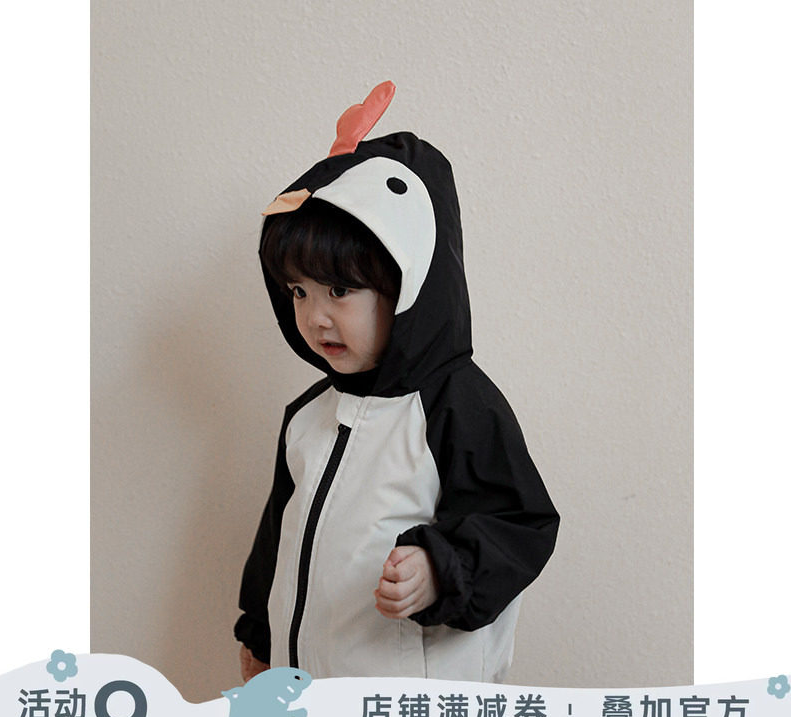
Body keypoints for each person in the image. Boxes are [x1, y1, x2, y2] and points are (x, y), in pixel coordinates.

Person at [235, 82, 559, 682]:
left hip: (412, 708)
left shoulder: (456, 406)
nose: (315, 317)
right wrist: (259, 637)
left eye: (339, 290)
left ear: (410, 281)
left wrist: (440, 570)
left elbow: (520, 525)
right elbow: (279, 539)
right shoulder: (309, 416)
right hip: (308, 696)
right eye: (299, 292)